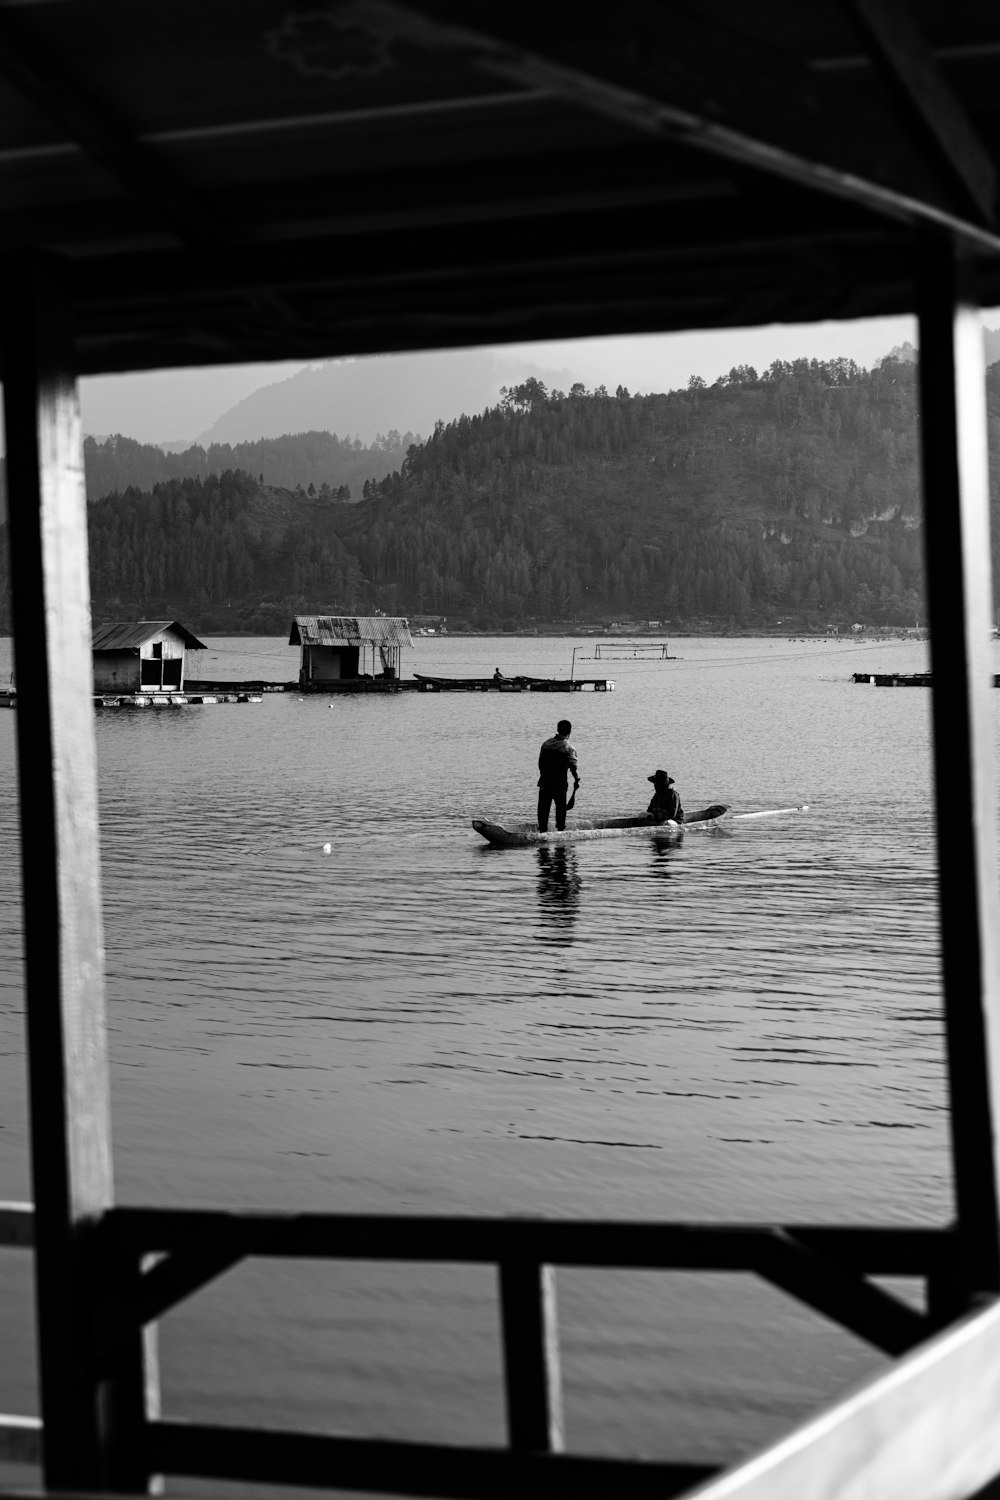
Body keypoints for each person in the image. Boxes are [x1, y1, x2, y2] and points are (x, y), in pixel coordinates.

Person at [537, 719, 580, 831]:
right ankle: (560, 832)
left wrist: (544, 774)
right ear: (569, 733)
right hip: (559, 784)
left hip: (544, 782)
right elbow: (573, 767)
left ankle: (542, 830)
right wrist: (577, 779)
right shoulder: (569, 748)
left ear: (557, 730)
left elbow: (540, 764)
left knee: (543, 809)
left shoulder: (546, 744)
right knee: (561, 810)